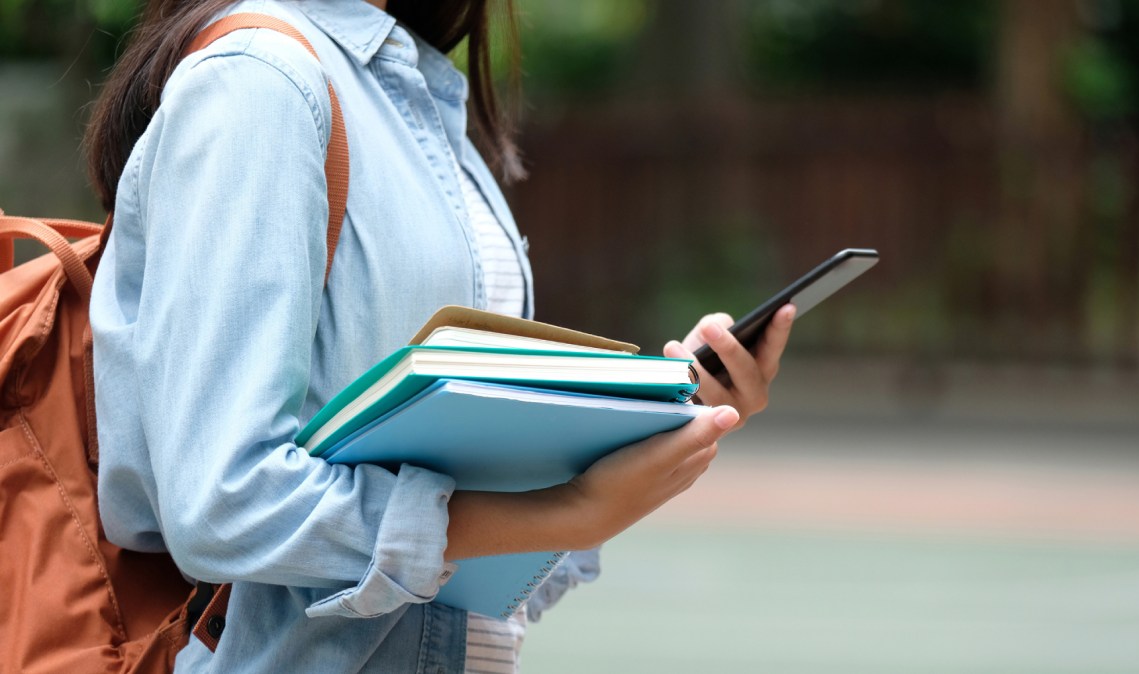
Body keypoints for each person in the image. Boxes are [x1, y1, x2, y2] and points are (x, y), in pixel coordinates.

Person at [84, 0, 796, 671]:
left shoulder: (404, 89)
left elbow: (462, 564)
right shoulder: (261, 83)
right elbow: (224, 502)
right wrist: (563, 511)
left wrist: (666, 414)